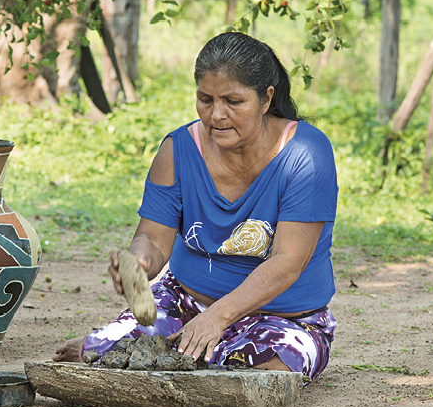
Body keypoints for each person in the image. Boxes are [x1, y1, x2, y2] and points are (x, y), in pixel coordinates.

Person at [54, 32, 338, 382]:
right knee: (117, 353)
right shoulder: (178, 150)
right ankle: (155, 347)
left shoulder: (306, 153)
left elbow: (287, 263)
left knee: (271, 368)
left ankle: (176, 351)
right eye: (205, 99)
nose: (217, 115)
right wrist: (139, 262)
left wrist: (218, 318)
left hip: (284, 317)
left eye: (233, 101)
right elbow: (154, 239)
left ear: (266, 99)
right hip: (187, 302)